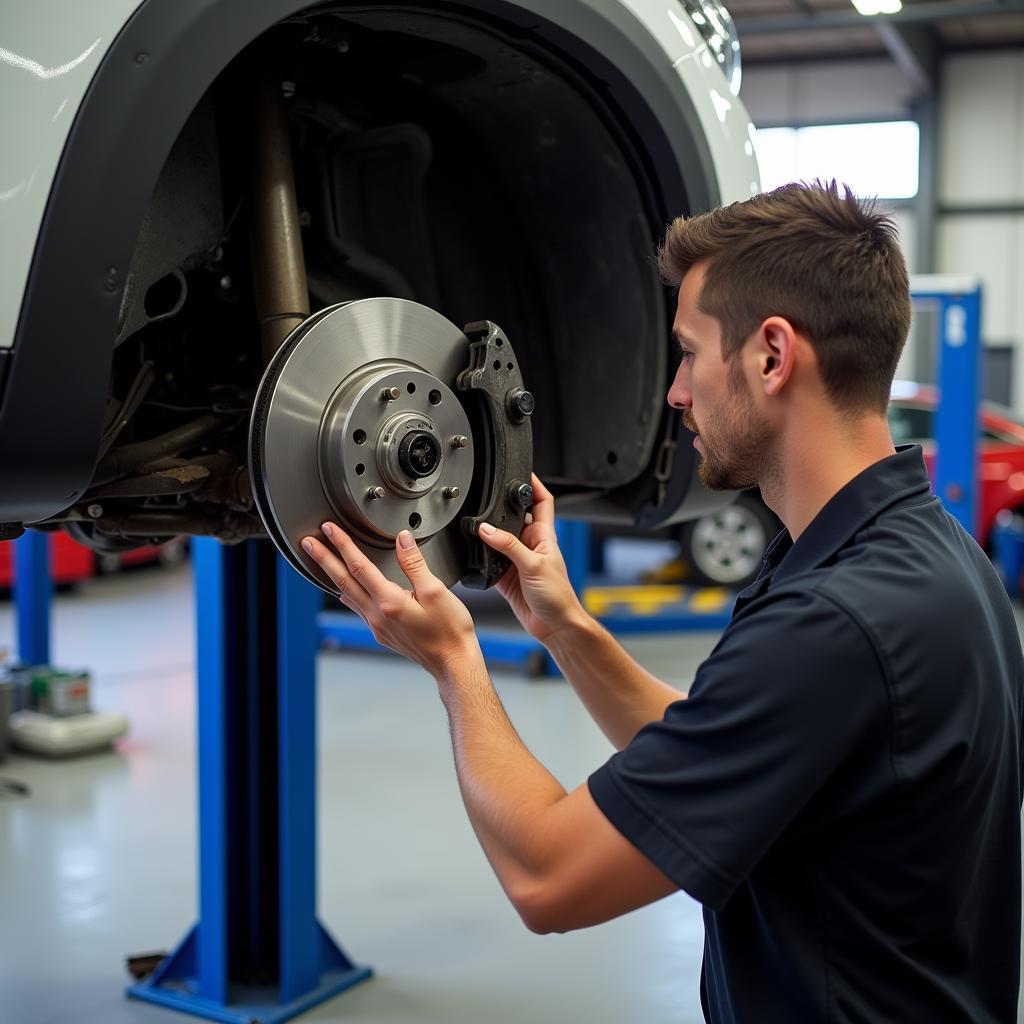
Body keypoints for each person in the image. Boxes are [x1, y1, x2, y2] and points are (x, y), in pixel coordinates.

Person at [301, 181, 1024, 1023]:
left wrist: (455, 662)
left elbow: (547, 877)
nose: (677, 393)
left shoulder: (835, 626)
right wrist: (562, 626)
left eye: (689, 352)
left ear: (772, 355)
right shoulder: (931, 559)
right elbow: (736, 748)